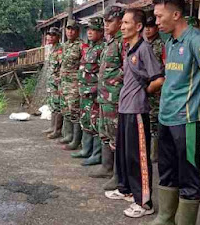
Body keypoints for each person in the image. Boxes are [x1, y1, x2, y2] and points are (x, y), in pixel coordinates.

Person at [150, 0, 200, 224]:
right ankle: (166, 217)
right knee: (167, 169)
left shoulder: (196, 39)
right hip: (166, 116)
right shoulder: (170, 41)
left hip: (186, 119)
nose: (156, 21)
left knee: (188, 173)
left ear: (176, 15)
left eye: (160, 16)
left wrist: (196, 100)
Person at [105, 8, 165, 218]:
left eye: (126, 23)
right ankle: (126, 189)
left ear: (138, 27)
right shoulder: (129, 49)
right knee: (124, 153)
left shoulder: (144, 49)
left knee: (138, 157)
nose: (122, 27)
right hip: (125, 108)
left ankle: (144, 202)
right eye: (121, 23)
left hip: (137, 110)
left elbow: (158, 79)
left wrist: (144, 92)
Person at [88, 4, 125, 192]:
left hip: (115, 98)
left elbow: (128, 70)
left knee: (116, 137)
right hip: (104, 96)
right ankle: (107, 167)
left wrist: (115, 84)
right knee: (105, 132)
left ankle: (118, 176)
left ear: (120, 22)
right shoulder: (111, 42)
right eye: (104, 21)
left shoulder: (122, 42)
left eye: (110, 21)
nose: (105, 25)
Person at [70, 17, 105, 166]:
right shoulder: (89, 48)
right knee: (86, 121)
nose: (90, 32)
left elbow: (103, 73)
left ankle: (96, 154)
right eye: (89, 29)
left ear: (101, 31)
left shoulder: (102, 48)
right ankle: (86, 150)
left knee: (95, 122)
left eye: (94, 29)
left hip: (94, 92)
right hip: (84, 91)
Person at [59, 20, 88, 150]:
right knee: (65, 109)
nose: (70, 32)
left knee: (75, 111)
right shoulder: (65, 46)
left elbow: (86, 64)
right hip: (64, 83)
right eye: (68, 29)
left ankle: (76, 141)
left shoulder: (82, 46)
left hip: (75, 84)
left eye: (73, 29)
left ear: (77, 31)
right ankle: (68, 135)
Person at [144, 10, 165, 163]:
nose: (148, 29)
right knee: (147, 119)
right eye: (146, 26)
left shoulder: (161, 45)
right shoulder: (144, 44)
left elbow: (164, 67)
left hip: (157, 89)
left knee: (154, 121)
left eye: (151, 26)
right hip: (144, 88)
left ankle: (155, 153)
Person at [43, 27, 64, 140]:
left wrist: (59, 79)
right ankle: (52, 127)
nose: (50, 37)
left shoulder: (60, 49)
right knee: (52, 104)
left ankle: (57, 130)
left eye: (53, 35)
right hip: (51, 81)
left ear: (58, 37)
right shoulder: (51, 49)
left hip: (57, 82)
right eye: (49, 35)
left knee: (57, 105)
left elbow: (61, 66)